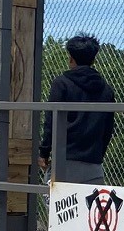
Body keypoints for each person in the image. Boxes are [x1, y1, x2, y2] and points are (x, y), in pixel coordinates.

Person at [37, 33, 116, 185]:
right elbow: (108, 129)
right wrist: (98, 154)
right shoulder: (106, 90)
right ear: (93, 59)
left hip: (64, 161)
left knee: (58, 206)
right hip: (93, 164)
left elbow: (51, 121)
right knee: (90, 208)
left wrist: (44, 152)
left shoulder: (62, 84)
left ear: (71, 58)